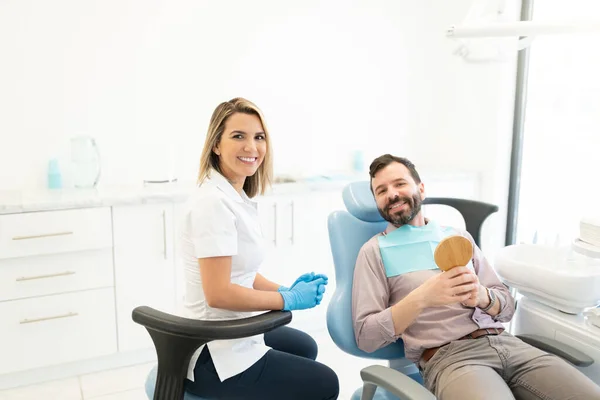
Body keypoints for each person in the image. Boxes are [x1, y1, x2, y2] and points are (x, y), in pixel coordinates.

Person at [352, 154, 600, 400]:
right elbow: (366, 336)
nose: (392, 194)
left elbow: (506, 307)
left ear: (421, 188)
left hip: (508, 344)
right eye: (381, 191)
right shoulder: (373, 251)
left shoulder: (457, 237)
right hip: (451, 358)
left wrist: (484, 298)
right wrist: (422, 298)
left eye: (399, 183)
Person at [180, 97, 339, 399]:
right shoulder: (213, 203)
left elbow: (242, 273)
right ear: (216, 144)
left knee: (305, 347)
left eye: (259, 137)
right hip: (214, 354)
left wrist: (286, 288)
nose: (251, 148)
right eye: (238, 136)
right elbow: (219, 294)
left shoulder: (233, 197)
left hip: (233, 333)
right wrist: (286, 298)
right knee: (326, 383)